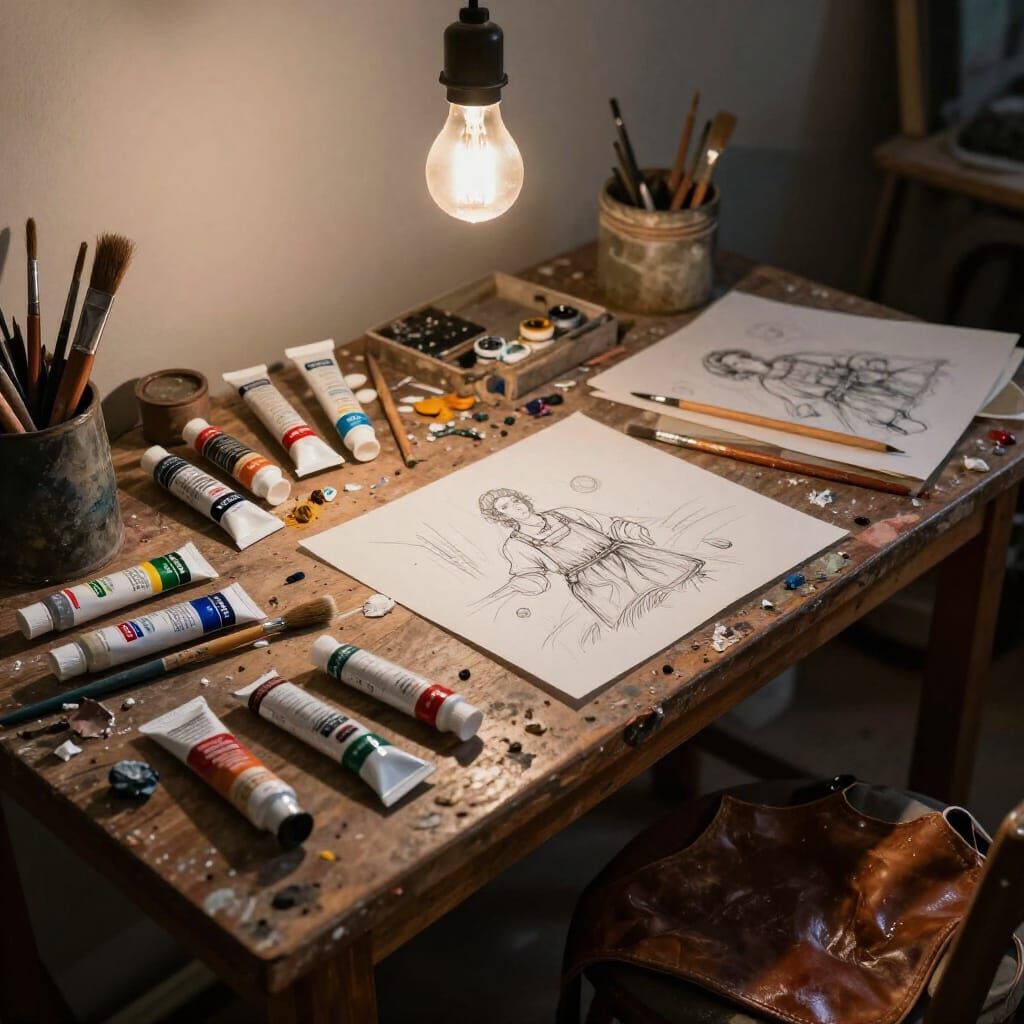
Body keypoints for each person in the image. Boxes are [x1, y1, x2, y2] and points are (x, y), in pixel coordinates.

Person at [478, 488, 704, 630]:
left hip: (628, 557)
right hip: (595, 583)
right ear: (501, 517)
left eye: (515, 500)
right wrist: (527, 584)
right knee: (641, 619)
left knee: (684, 592)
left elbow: (606, 524)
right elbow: (531, 574)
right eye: (505, 507)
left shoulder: (565, 513)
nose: (516, 507)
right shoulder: (516, 545)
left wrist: (631, 530)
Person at [702, 348, 946, 435]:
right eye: (735, 365)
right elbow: (792, 398)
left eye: (740, 359)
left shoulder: (786, 360)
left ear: (748, 356)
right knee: (876, 409)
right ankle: (902, 423)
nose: (743, 363)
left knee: (889, 392)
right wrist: (800, 408)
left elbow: (820, 360)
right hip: (838, 394)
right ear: (737, 372)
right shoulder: (770, 383)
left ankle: (914, 413)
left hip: (845, 377)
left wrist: (851, 365)